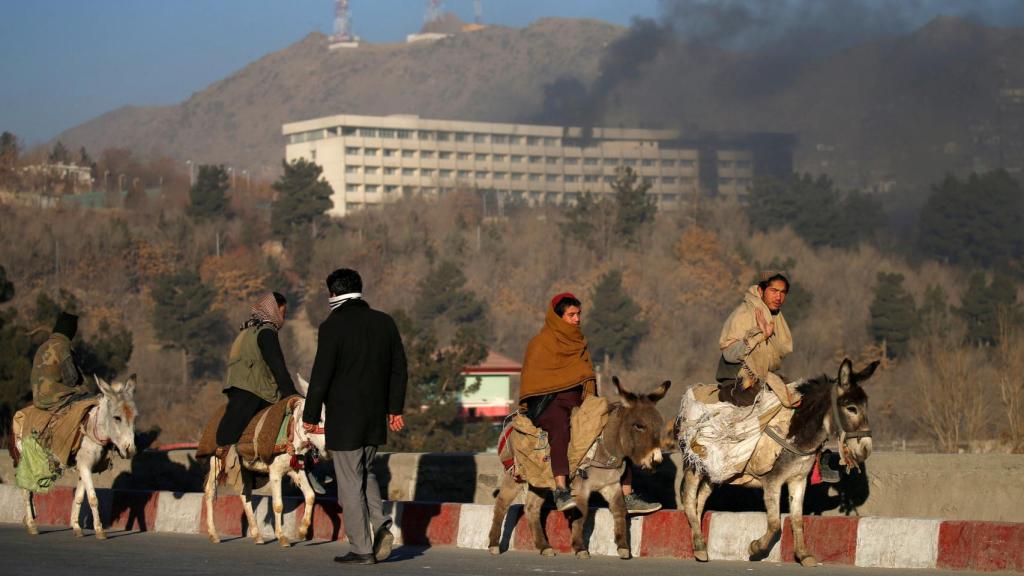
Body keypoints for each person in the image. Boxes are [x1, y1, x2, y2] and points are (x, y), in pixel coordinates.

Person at [519, 293, 660, 514]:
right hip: (548, 402)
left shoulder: (579, 342)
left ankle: (627, 494)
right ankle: (561, 490)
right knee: (560, 429)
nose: (577, 319)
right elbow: (533, 381)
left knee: (621, 422)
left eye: (578, 314)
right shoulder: (540, 344)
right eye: (571, 315)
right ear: (558, 317)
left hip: (579, 401)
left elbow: (585, 377)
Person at [302, 268, 407, 566]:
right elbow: (400, 368)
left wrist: (310, 414)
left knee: (349, 482)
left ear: (334, 294)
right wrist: (394, 408)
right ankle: (382, 524)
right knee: (365, 472)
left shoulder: (332, 326)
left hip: (345, 417)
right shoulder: (384, 322)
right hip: (375, 416)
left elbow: (321, 374)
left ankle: (362, 548)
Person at [215, 292, 298, 448]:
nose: (283, 318)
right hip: (255, 390)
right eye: (282, 312)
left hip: (237, 387)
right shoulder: (266, 332)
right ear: (273, 310)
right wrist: (292, 395)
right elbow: (277, 367)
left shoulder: (246, 331)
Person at [716, 271, 794, 408]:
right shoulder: (744, 314)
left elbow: (779, 353)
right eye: (774, 291)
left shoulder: (776, 317)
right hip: (736, 383)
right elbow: (729, 354)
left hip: (764, 380)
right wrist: (758, 336)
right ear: (760, 290)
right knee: (761, 405)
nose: (778, 297)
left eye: (783, 292)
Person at [31, 311, 93, 412]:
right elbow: (72, 378)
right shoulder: (63, 347)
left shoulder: (42, 346)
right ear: (71, 331)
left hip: (38, 398)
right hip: (55, 397)